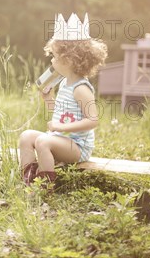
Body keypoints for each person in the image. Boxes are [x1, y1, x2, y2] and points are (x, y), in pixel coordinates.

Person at [19, 13, 107, 187]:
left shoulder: (81, 89)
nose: (52, 60)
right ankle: (29, 180)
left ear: (69, 60)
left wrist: (60, 127)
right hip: (61, 139)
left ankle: (44, 187)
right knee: (26, 136)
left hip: (78, 147)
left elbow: (93, 120)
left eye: (56, 56)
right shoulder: (65, 83)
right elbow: (62, 114)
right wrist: (48, 99)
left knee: (43, 141)